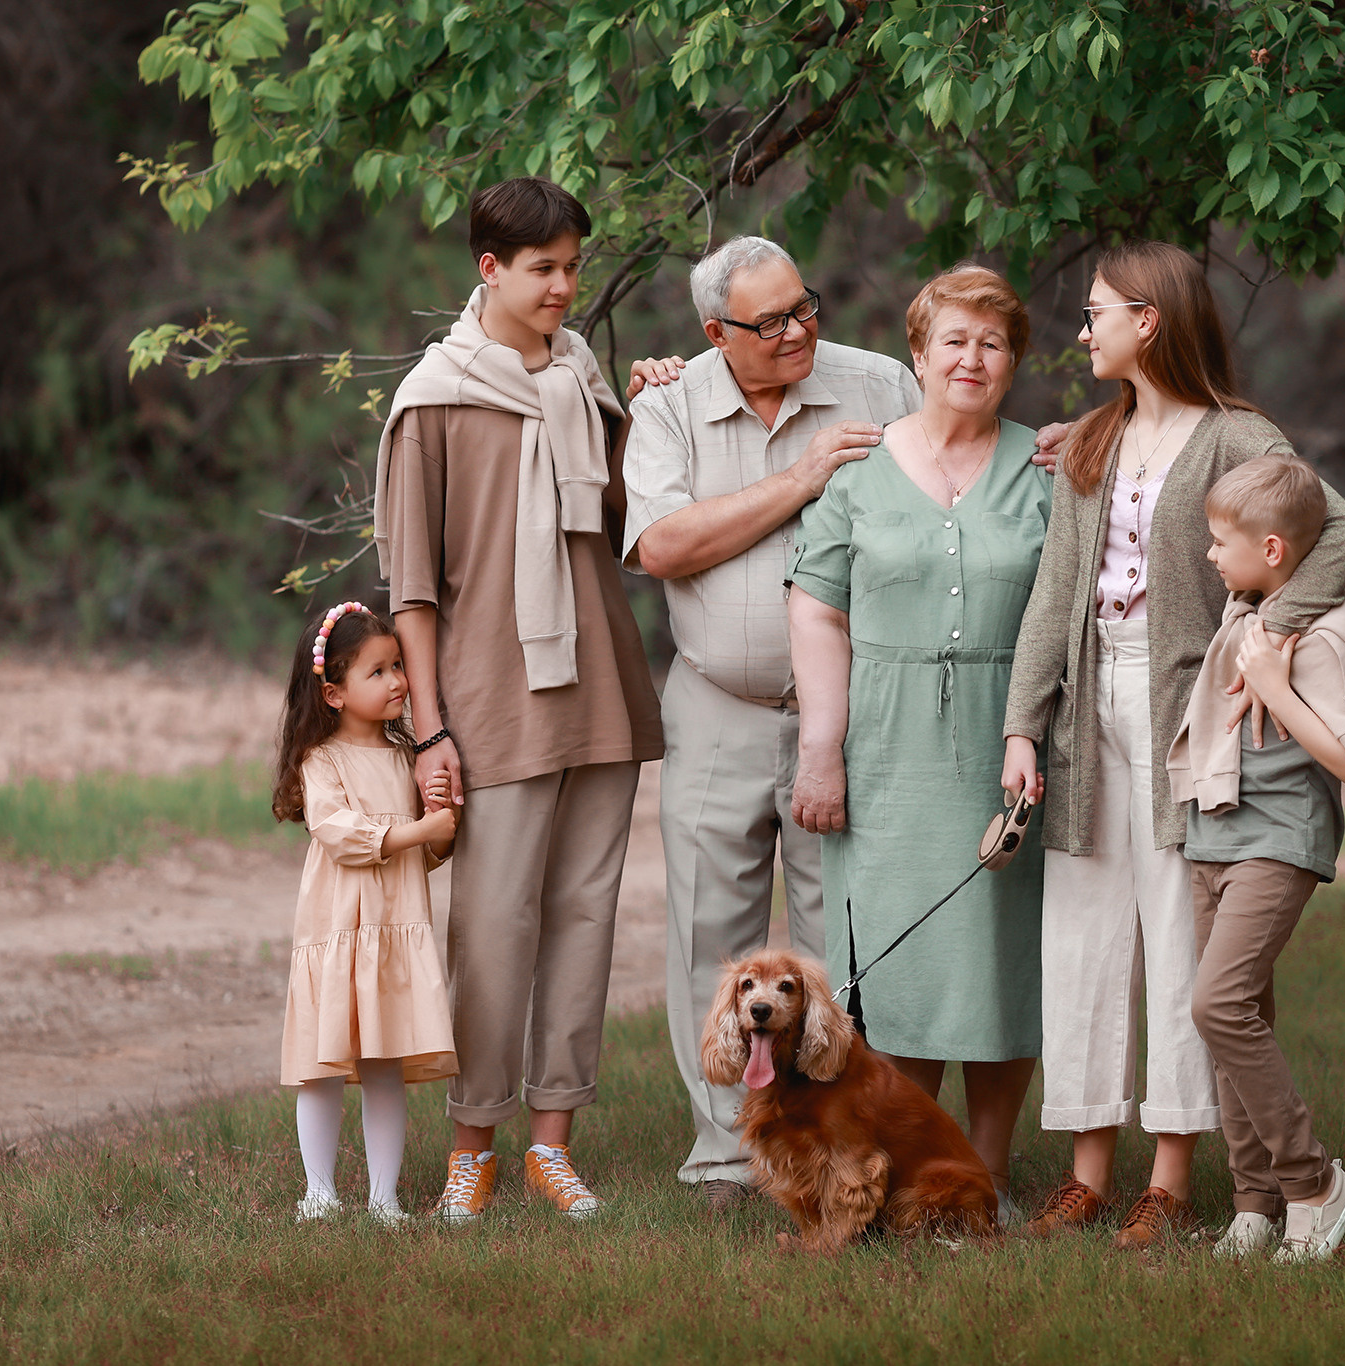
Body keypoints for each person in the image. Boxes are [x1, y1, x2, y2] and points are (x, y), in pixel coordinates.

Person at [1001, 240, 1345, 1250]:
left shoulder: (1238, 435)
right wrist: (1020, 725)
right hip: (1086, 709)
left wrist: (1271, 629)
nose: (1084, 330)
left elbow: (1338, 532)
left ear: (1148, 321)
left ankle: (1168, 1179)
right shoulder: (1091, 440)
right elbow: (1050, 593)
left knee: (1177, 932)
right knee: (1080, 932)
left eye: (1097, 312)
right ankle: (1085, 1174)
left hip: (1187, 718)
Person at [374, 176, 665, 1222]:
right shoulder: (434, 398)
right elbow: (412, 585)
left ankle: (554, 1143)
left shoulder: (585, 380)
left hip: (601, 687)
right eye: (544, 268)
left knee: (585, 916)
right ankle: (472, 1144)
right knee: (493, 924)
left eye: (574, 267)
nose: (564, 287)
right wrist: (434, 727)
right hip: (495, 699)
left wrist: (655, 406)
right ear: (488, 268)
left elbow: (633, 515)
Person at [622, 236, 920, 1209]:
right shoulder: (669, 405)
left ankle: (839, 1149)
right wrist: (800, 479)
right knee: (713, 939)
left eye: (806, 307)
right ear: (715, 334)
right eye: (770, 321)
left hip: (851, 714)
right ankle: (724, 1157)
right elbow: (661, 544)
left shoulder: (878, 385)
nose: (798, 331)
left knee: (841, 939)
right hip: (716, 707)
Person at [786, 265, 1049, 1224]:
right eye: (953, 340)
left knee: (997, 961)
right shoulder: (857, 467)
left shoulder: (1046, 465)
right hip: (883, 744)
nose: (970, 358)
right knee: (889, 978)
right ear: (918, 353)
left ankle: (979, 1181)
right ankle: (898, 1173)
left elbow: (1065, 615)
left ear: (1013, 361)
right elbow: (816, 611)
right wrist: (823, 747)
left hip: (1005, 735)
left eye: (991, 343)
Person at [1169, 454, 1345, 1261]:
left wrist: (1275, 691)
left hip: (1276, 840)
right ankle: (1255, 1201)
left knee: (1217, 1005)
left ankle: (1313, 1183)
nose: (1210, 554)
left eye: (1219, 541)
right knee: (1238, 1018)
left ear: (1272, 550)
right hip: (1216, 830)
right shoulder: (1254, 608)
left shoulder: (1318, 635)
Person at [273, 602, 459, 1226]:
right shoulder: (321, 760)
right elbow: (342, 834)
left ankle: (385, 1197)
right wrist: (419, 828)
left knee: (384, 1064)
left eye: (399, 666)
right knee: (322, 1067)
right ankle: (318, 1191)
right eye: (378, 671)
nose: (399, 681)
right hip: (338, 931)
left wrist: (440, 825)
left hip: (393, 933)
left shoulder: (407, 759)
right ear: (333, 692)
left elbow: (426, 856)